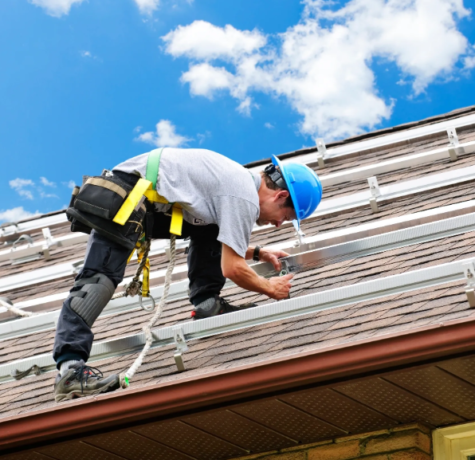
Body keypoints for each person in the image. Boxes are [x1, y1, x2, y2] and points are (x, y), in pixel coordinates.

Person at [52, 148, 322, 402]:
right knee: (97, 283)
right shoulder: (243, 197)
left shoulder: (237, 184)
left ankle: (208, 304)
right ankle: (70, 372)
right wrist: (270, 288)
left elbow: (223, 240)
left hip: (145, 199)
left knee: (211, 228)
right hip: (127, 196)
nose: (277, 224)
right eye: (284, 218)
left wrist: (257, 252)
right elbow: (232, 268)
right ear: (281, 196)